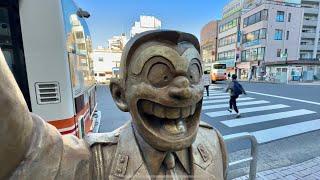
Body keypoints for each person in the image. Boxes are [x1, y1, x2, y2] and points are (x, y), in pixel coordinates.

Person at [0, 30, 227, 179]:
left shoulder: (214, 142)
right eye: (159, 74)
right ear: (119, 95)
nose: (184, 90)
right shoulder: (95, 162)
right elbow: (26, 151)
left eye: (193, 73)